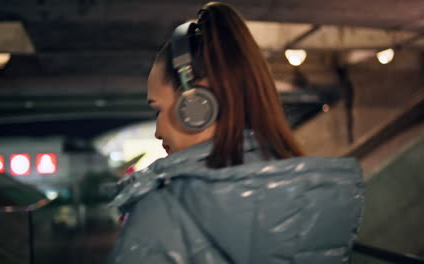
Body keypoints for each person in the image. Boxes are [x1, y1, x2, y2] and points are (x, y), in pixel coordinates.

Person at [108, 2, 364, 263]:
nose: (157, 132)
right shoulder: (323, 198)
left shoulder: (162, 212)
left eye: (158, 110)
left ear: (196, 106)